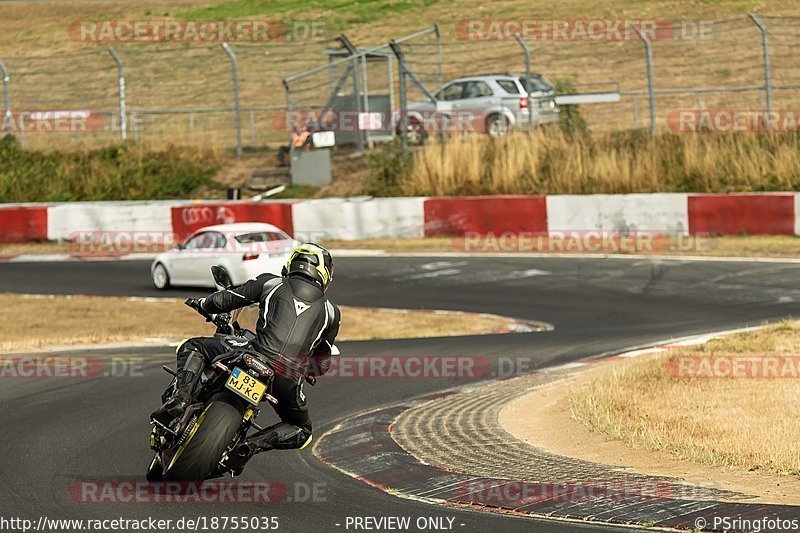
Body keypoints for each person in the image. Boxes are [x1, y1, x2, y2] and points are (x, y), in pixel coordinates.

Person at [151, 243, 340, 462]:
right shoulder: (332, 312)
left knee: (192, 345)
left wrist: (203, 303)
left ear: (293, 262)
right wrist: (307, 370)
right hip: (286, 379)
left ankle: (180, 400)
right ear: (324, 272)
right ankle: (247, 448)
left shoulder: (272, 282)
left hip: (254, 354)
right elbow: (321, 364)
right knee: (302, 430)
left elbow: (227, 299)